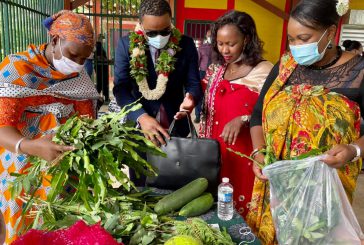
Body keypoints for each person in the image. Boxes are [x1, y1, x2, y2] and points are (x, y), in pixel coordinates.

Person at [246, 0, 364, 243]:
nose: (296, 46)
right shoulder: (285, 66)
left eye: (304, 38)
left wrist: (354, 149)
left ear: (330, 33)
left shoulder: (359, 72)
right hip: (278, 183)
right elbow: (258, 113)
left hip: (326, 189)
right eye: (291, 39)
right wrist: (259, 152)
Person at [0, 11, 100, 244]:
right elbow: (2, 125)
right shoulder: (16, 69)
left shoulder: (78, 76)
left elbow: (86, 118)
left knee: (61, 221)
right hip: (23, 165)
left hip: (64, 164)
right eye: (73, 55)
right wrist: (30, 146)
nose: (77, 64)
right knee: (26, 221)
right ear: (55, 41)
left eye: (83, 59)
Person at [113, 0, 202, 185]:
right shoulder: (126, 45)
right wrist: (141, 117)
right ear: (141, 25)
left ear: (171, 22)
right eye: (152, 33)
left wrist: (191, 99)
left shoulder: (185, 44)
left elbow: (193, 83)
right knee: (140, 181)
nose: (159, 37)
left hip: (175, 125)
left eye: (165, 31)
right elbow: (120, 88)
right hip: (139, 127)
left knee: (175, 181)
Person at [199, 11, 273, 218]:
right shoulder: (217, 69)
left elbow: (271, 112)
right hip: (215, 149)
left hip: (244, 152)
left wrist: (243, 118)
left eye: (231, 44)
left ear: (247, 39)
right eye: (220, 43)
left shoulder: (264, 71)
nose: (225, 50)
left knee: (242, 203)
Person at [195, 29, 212, 123]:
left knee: (211, 95)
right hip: (202, 73)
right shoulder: (201, 48)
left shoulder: (218, 48)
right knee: (200, 94)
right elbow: (197, 62)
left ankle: (209, 115)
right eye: (209, 36)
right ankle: (198, 115)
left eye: (212, 35)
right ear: (206, 37)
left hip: (214, 73)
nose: (211, 37)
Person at [95, 34, 110, 102]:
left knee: (101, 82)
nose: (104, 40)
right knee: (102, 82)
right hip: (100, 67)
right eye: (103, 38)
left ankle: (100, 98)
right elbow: (98, 57)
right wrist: (106, 60)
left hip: (101, 67)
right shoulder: (98, 46)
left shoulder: (99, 46)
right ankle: (103, 98)